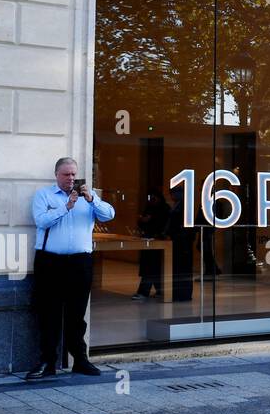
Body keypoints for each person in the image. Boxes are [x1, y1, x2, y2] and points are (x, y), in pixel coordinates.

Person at [26, 158, 116, 380]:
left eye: (74, 174)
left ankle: (80, 360)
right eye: (66, 175)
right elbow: (41, 221)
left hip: (80, 262)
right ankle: (47, 361)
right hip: (50, 262)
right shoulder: (44, 196)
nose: (71, 179)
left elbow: (109, 214)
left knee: (77, 314)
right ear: (57, 175)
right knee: (49, 313)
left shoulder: (89, 197)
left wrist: (92, 198)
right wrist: (66, 207)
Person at [132, 191, 171, 300]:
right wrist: (143, 220)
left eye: (155, 198)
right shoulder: (150, 208)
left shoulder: (163, 209)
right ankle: (159, 290)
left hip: (157, 241)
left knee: (150, 268)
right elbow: (141, 222)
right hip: (148, 240)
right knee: (152, 268)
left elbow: (163, 224)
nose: (153, 200)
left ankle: (144, 291)